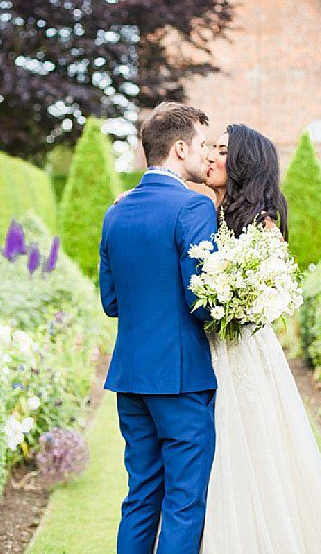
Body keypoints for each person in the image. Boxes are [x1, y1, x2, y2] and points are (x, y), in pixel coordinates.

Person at [200, 124, 321, 553]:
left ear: (244, 163)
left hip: (243, 352)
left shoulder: (262, 226)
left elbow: (266, 299)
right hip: (210, 351)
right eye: (212, 149)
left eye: (221, 150)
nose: (212, 157)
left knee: (252, 447)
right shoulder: (206, 211)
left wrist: (227, 300)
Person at [98, 101, 219, 554]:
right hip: (180, 379)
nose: (207, 155)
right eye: (203, 146)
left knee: (141, 496)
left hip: (131, 379)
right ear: (180, 148)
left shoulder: (116, 213)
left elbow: (111, 302)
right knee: (185, 501)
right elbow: (202, 300)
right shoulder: (193, 207)